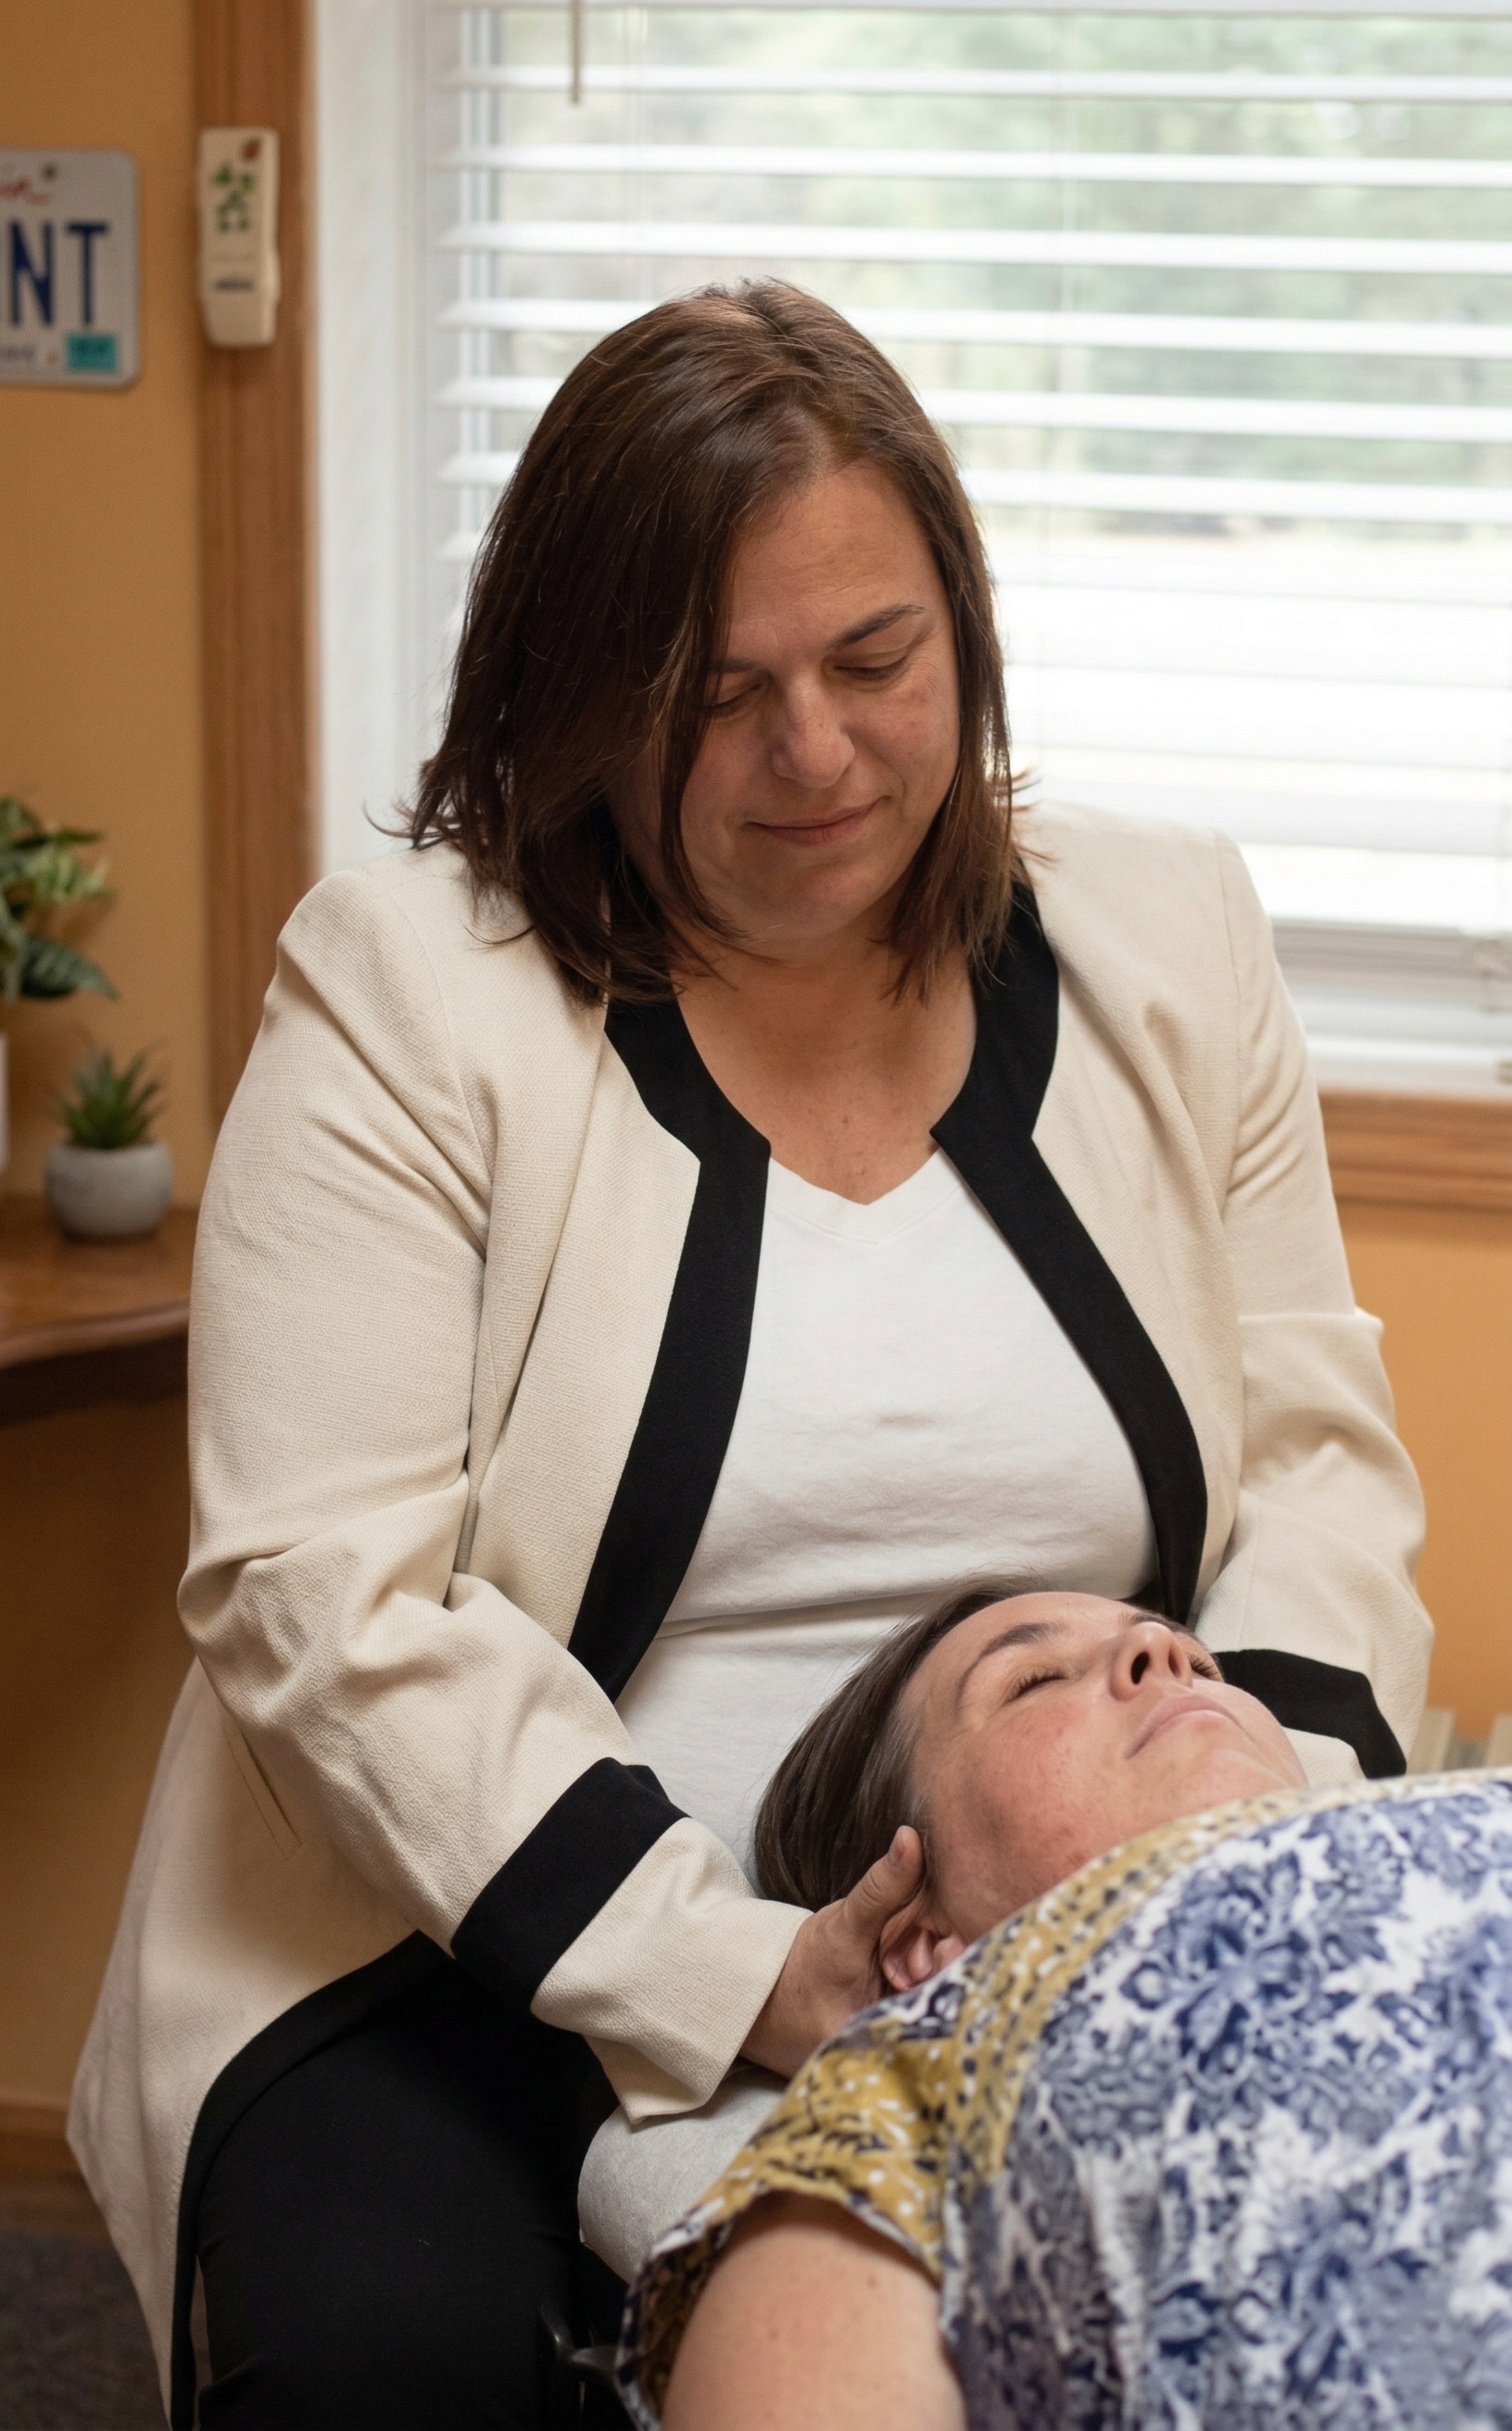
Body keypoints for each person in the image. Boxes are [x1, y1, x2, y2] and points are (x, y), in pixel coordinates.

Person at [69, 281, 1430, 2431]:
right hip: (447, 1928)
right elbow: (321, 1593)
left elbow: (1315, 1468)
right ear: (576, 705)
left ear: (964, 633)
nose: (817, 754)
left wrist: (1235, 1871)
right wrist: (743, 1965)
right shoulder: (410, 994)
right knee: (386, 2366)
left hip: (1080, 1892)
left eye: (875, 660)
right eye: (718, 695)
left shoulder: (1164, 934)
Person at [622, 1591, 1511, 2431]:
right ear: (923, 1945)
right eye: (1036, 1680)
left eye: (1200, 1662)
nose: (1162, 1651)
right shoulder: (919, 2086)